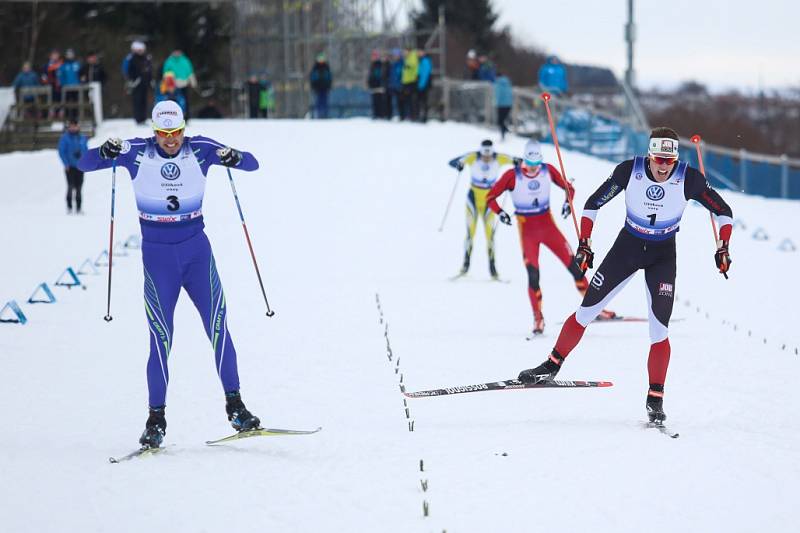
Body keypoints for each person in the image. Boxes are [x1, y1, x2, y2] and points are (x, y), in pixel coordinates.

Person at [516, 128, 734, 425]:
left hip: (662, 255)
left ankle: (655, 398)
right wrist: (585, 243)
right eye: (658, 159)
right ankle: (551, 365)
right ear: (649, 155)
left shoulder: (689, 177)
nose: (663, 166)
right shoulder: (630, 170)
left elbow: (724, 211)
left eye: (669, 160)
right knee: (586, 311)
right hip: (627, 248)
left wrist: (723, 245)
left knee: (659, 328)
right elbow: (593, 203)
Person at [77, 101, 263, 449]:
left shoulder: (202, 148)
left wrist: (233, 157)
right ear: (154, 131)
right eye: (164, 134)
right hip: (158, 258)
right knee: (160, 338)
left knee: (218, 326)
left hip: (196, 254)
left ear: (183, 128)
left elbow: (252, 163)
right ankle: (155, 419)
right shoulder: (135, 152)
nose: (171, 140)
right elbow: (83, 163)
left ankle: (236, 407)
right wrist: (103, 150)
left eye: (176, 133)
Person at [487, 139, 616, 336]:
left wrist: (567, 202)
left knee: (575, 266)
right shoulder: (512, 176)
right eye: (529, 165)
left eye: (536, 165)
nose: (533, 169)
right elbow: (490, 197)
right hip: (527, 228)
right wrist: (500, 212)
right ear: (524, 161)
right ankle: (538, 318)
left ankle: (595, 308)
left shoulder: (547, 170)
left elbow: (569, 187)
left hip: (547, 226)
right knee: (533, 275)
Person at [448, 140, 516, 279]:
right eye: (484, 155)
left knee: (490, 235)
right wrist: (459, 165)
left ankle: (493, 270)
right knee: (470, 233)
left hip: (489, 200)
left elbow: (518, 161)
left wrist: (517, 166)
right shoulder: (473, 156)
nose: (486, 158)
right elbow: (452, 162)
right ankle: (465, 267)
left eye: (489, 155)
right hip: (473, 198)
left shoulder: (499, 157)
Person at [58, 119, 88, 214]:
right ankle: (69, 207)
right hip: (70, 167)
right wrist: (66, 164)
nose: (73, 128)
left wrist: (85, 162)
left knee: (79, 187)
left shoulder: (82, 138)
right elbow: (61, 152)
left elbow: (86, 150)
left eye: (75, 126)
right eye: (71, 126)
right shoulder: (65, 138)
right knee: (70, 186)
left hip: (80, 166)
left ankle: (79, 207)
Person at [162, 49, 197, 118]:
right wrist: (167, 83)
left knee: (185, 101)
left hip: (184, 84)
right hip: (172, 85)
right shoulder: (169, 61)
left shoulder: (185, 61)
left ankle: (186, 117)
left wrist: (193, 82)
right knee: (172, 101)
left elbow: (190, 72)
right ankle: (171, 116)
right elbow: (165, 73)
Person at [126, 41, 152, 124]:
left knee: (144, 101)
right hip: (136, 84)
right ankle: (138, 118)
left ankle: (143, 118)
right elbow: (130, 71)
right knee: (137, 101)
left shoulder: (146, 59)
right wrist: (133, 80)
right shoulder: (132, 59)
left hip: (145, 83)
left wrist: (150, 80)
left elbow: (149, 71)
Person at [58, 49, 82, 120]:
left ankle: (76, 118)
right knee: (67, 103)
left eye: (71, 54)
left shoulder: (77, 64)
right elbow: (60, 76)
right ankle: (67, 118)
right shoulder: (64, 65)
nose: (70, 56)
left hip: (76, 87)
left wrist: (80, 82)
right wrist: (63, 84)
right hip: (67, 88)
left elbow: (81, 74)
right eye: (68, 54)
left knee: (76, 102)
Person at [309, 53, 332, 119]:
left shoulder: (326, 67)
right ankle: (318, 114)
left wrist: (329, 85)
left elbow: (329, 78)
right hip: (317, 88)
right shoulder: (315, 68)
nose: (321, 61)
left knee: (325, 101)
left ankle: (325, 114)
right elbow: (312, 78)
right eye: (320, 59)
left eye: (322, 59)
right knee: (318, 101)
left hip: (325, 88)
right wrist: (313, 86)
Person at [367, 49, 387, 119]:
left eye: (375, 56)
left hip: (378, 86)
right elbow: (370, 75)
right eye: (373, 56)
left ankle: (380, 115)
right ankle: (376, 114)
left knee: (379, 101)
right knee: (375, 101)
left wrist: (379, 83)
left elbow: (378, 75)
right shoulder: (372, 64)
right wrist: (369, 82)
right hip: (373, 86)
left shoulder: (379, 64)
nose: (373, 58)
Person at [400, 47, 419, 120]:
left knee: (412, 100)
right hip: (406, 81)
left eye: (405, 51)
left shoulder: (413, 56)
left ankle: (413, 116)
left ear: (409, 51)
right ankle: (409, 115)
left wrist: (408, 66)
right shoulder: (407, 58)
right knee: (407, 100)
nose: (404, 53)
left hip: (411, 81)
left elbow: (413, 65)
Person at [494, 71, 513, 140]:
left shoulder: (498, 84)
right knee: (503, 120)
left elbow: (497, 95)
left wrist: (495, 103)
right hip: (509, 104)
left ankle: (504, 132)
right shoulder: (508, 83)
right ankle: (505, 130)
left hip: (501, 105)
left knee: (500, 121)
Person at [417, 50, 433, 123]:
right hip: (422, 84)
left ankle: (425, 117)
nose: (419, 53)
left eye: (420, 52)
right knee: (422, 101)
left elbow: (425, 74)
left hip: (424, 85)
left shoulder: (425, 61)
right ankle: (422, 116)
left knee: (424, 101)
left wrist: (421, 85)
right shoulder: (421, 60)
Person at [387, 49, 403, 120]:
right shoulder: (392, 64)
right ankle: (390, 116)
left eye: (397, 55)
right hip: (392, 86)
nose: (395, 56)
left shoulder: (402, 63)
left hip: (399, 86)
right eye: (394, 55)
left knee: (401, 103)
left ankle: (402, 116)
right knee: (391, 102)